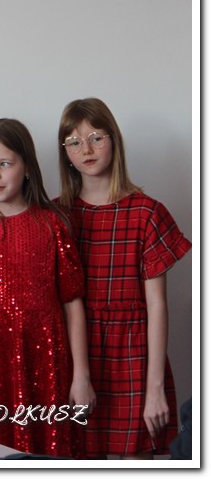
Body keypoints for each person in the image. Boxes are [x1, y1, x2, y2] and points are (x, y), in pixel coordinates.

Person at [57, 97, 191, 459]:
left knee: (136, 461)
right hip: (76, 358)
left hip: (133, 356)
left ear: (114, 140)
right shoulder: (58, 216)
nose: (86, 149)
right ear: (65, 152)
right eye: (74, 142)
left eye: (96, 138)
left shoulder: (147, 213)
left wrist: (154, 389)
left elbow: (157, 306)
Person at [0, 118, 95, 458]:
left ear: (27, 167)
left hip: (47, 362)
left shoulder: (53, 223)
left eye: (4, 164)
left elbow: (72, 303)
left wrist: (81, 377)